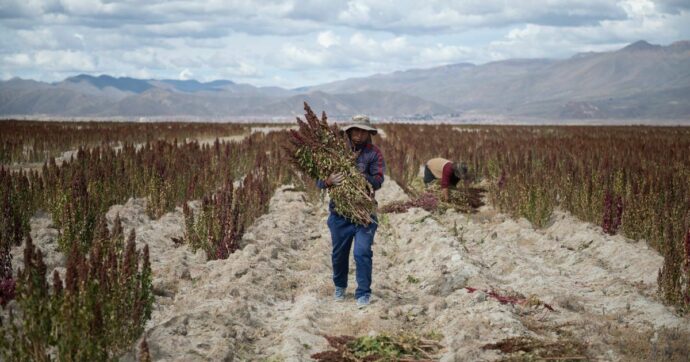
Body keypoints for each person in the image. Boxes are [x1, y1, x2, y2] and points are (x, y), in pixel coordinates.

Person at [316, 114, 385, 309]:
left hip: (365, 213)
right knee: (339, 254)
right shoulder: (336, 153)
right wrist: (329, 181)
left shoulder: (374, 154)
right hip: (340, 213)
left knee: (362, 252)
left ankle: (363, 292)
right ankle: (340, 286)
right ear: (349, 132)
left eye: (363, 131)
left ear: (368, 133)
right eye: (355, 130)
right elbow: (319, 181)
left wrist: (361, 178)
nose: (358, 135)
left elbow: (379, 180)